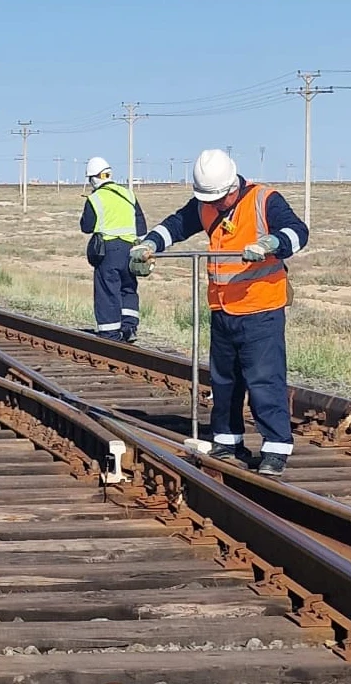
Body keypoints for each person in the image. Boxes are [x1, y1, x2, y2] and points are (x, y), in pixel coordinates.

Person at [129, 149, 308, 476]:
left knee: (263, 380)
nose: (216, 205)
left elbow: (298, 232)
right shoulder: (206, 204)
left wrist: (270, 244)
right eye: (210, 200)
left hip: (261, 308)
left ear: (233, 185)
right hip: (223, 308)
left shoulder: (264, 199)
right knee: (225, 380)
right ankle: (227, 440)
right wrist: (148, 244)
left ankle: (275, 448)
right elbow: (176, 225)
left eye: (220, 198)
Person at [80, 157, 147, 342]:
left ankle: (110, 334)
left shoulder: (95, 198)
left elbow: (86, 226)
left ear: (93, 179)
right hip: (131, 250)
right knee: (128, 288)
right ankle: (129, 327)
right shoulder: (128, 194)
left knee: (107, 291)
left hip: (107, 252)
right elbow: (141, 227)